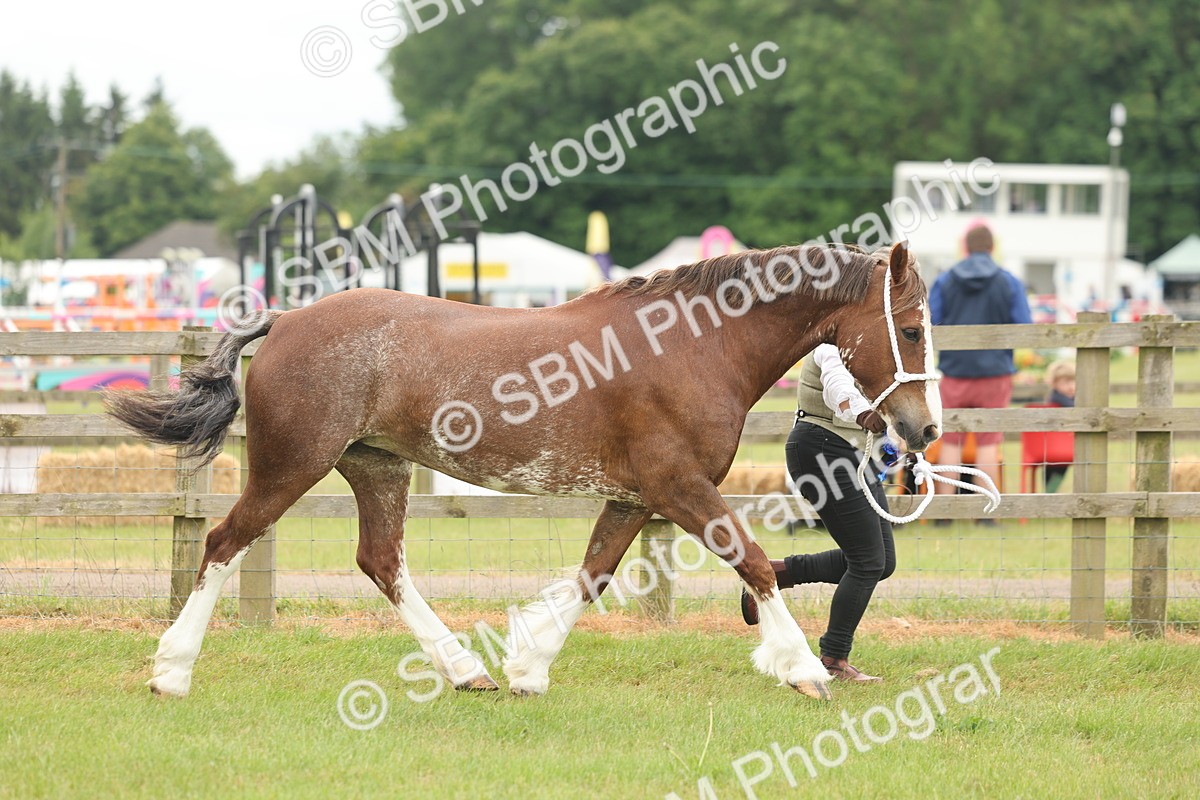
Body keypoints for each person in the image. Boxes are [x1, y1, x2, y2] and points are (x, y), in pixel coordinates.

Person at [740, 344, 896, 683]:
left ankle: (774, 574)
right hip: (823, 448)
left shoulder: (874, 337)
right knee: (868, 562)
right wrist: (861, 414)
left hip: (855, 453)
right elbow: (839, 385)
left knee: (881, 563)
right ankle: (833, 659)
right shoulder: (831, 342)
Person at [929, 224, 1032, 510]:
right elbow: (1024, 325)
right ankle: (988, 509)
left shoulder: (945, 280)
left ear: (964, 247)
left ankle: (945, 509)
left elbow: (930, 320)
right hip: (995, 372)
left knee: (950, 441)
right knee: (988, 442)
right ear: (992, 247)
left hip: (953, 371)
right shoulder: (1008, 281)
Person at [1043, 359, 1076, 493]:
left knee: (1057, 469)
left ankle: (1050, 492)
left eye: (1073, 381)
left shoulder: (1069, 397)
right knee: (1054, 468)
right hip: (1054, 446)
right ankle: (1050, 491)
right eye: (1064, 383)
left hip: (1060, 445)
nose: (1071, 387)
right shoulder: (1056, 397)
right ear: (1054, 384)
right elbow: (1073, 408)